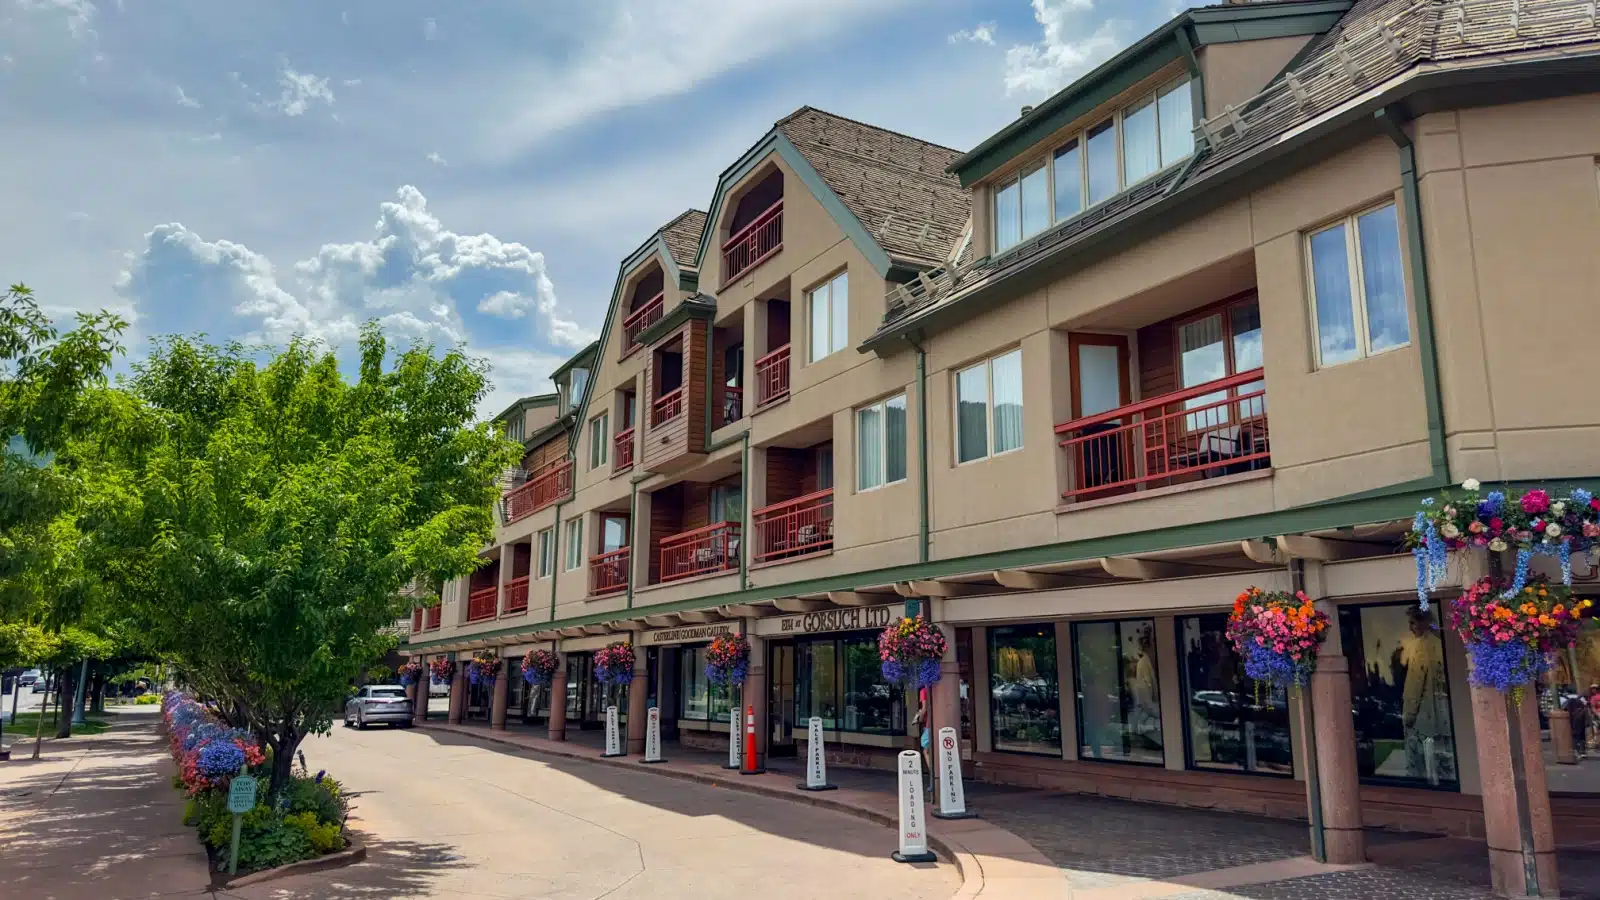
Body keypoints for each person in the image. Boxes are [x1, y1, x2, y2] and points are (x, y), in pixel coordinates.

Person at [1400, 607, 1451, 784]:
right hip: (1441, 712)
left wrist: (1409, 713)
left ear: (1424, 622)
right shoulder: (1439, 643)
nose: (1410, 627)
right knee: (1442, 759)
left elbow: (1415, 682)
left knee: (1421, 763)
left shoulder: (1422, 646)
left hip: (1424, 714)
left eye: (1413, 622)